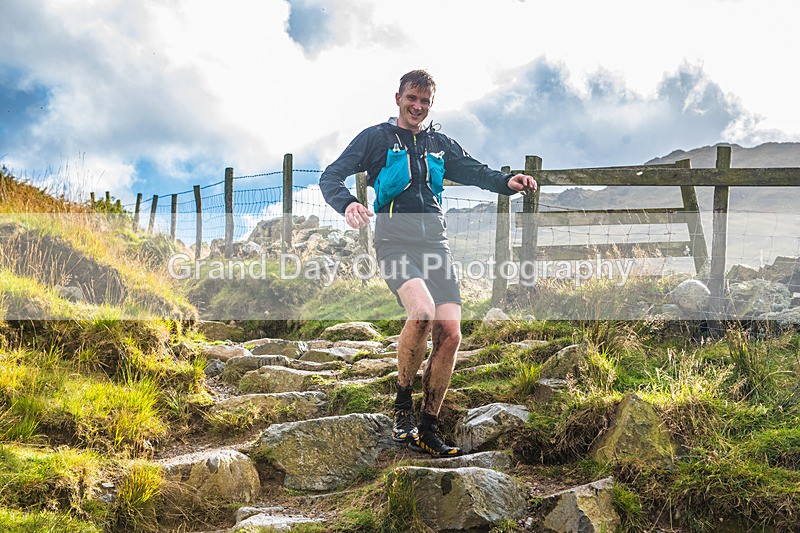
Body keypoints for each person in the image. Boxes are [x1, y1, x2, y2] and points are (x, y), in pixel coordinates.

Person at [320, 70, 536, 457]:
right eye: (412, 98)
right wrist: (348, 203)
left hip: (436, 244)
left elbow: (475, 171)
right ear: (398, 98)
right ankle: (403, 405)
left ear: (431, 104)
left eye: (425, 101)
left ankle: (428, 428)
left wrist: (507, 182)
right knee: (421, 313)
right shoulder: (376, 138)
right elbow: (331, 176)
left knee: (451, 334)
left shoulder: (439, 143)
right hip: (394, 242)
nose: (417, 106)